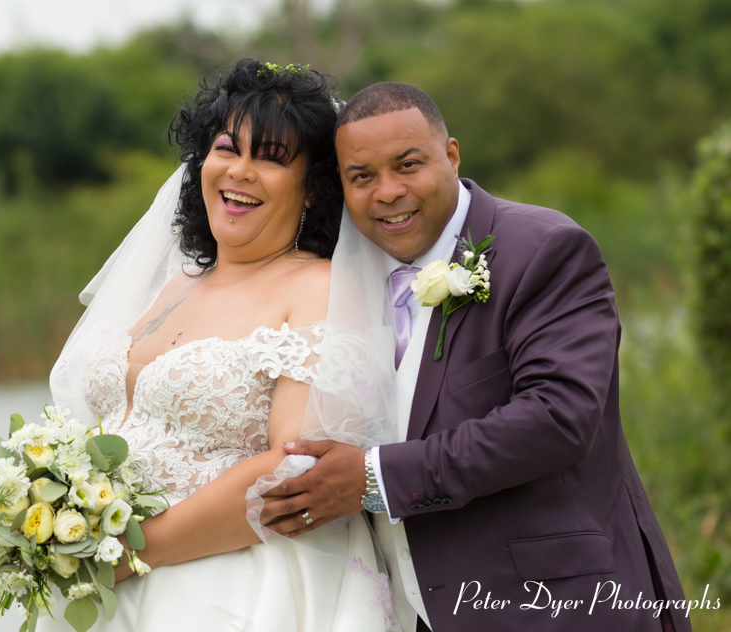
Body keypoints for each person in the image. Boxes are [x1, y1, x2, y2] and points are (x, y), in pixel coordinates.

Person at [257, 82, 689, 631]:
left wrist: (372, 478)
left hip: (555, 606)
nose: (387, 192)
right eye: (361, 177)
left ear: (452, 155)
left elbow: (558, 418)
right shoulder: (341, 279)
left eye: (407, 165)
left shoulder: (545, 248)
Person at [42, 59, 394, 631]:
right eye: (227, 149)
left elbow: (296, 469)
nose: (241, 171)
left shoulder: (320, 288)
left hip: (233, 587)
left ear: (312, 188)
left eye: (271, 158)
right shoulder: (169, 286)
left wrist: (134, 552)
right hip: (105, 588)